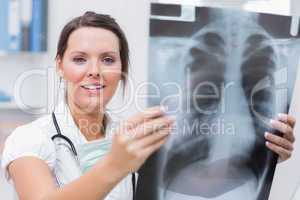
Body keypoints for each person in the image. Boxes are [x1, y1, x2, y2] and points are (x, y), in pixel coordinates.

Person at [0, 11, 296, 200]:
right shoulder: (29, 138)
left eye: (107, 59)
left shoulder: (134, 135)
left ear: (122, 68)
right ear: (60, 67)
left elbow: (204, 182)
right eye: (79, 59)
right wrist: (115, 166)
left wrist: (266, 152)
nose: (94, 71)